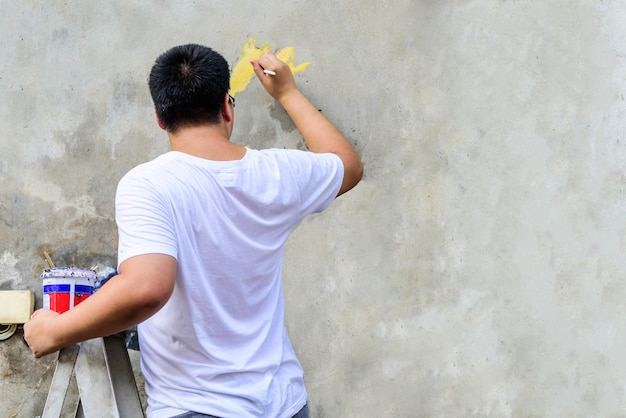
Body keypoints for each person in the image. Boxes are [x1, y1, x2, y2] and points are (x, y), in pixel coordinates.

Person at [24, 43, 363, 418]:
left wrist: (54, 331)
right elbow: (347, 165)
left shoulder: (149, 184)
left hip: (198, 408)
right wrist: (287, 92)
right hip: (284, 404)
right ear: (226, 107)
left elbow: (146, 288)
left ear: (159, 117)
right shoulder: (277, 172)